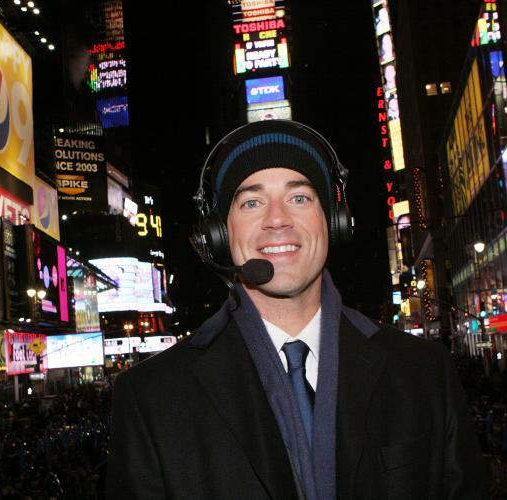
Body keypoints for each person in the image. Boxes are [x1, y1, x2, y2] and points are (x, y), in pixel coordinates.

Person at [106, 120, 487, 499]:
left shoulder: (424, 372)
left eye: (299, 198)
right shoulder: (150, 398)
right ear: (220, 234)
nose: (277, 220)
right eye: (251, 202)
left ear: (334, 221)